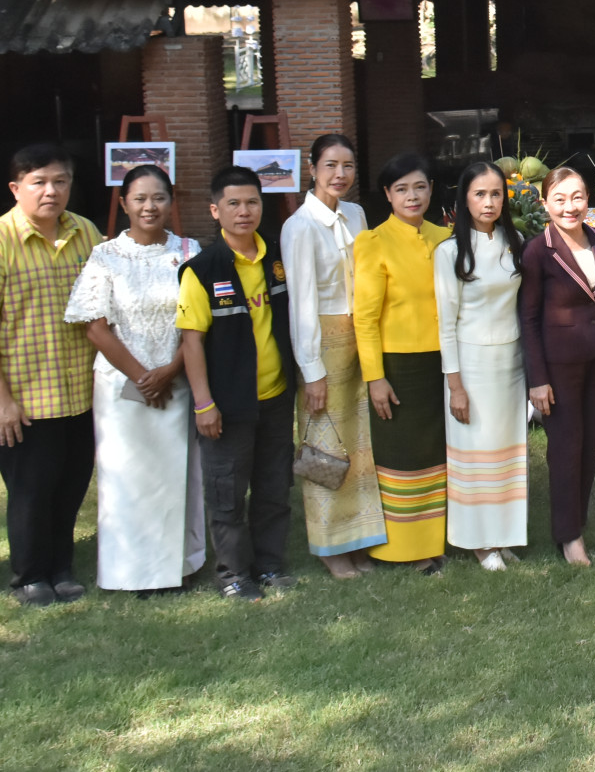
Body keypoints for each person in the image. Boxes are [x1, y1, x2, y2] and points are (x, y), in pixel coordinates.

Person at [0, 144, 102, 607]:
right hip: (26, 397)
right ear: (16, 188)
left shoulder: (87, 233)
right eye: (38, 182)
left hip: (80, 391)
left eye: (60, 181)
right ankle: (29, 576)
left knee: (72, 484)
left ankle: (61, 566)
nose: (50, 191)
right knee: (31, 493)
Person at [63, 164, 205, 594]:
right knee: (127, 478)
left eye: (158, 197)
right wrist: (143, 376)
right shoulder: (106, 255)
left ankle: (179, 566)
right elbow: (94, 325)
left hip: (176, 379)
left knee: (176, 475)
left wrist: (169, 371)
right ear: (123, 203)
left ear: (171, 201)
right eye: (139, 198)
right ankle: (131, 572)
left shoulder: (188, 250)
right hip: (121, 387)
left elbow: (198, 322)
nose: (149, 206)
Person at [178, 166, 298, 601]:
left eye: (251, 202)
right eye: (233, 203)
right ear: (215, 210)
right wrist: (204, 403)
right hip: (228, 404)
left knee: (273, 486)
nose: (244, 212)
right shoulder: (202, 270)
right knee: (227, 492)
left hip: (276, 397)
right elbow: (192, 342)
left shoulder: (277, 259)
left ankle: (269, 565)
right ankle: (232, 574)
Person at [280, 134, 386, 579]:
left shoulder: (357, 214)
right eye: (329, 165)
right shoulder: (300, 226)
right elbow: (301, 303)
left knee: (362, 447)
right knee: (324, 448)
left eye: (347, 165)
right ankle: (328, 546)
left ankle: (359, 538)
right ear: (312, 168)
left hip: (361, 339)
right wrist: (312, 371)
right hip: (322, 344)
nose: (339, 174)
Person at [352, 153, 452, 572]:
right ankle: (403, 548)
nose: (412, 196)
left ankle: (439, 538)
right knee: (403, 458)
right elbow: (365, 317)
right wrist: (375, 377)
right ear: (388, 196)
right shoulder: (372, 243)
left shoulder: (446, 236)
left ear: (430, 189)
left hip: (444, 362)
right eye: (401, 189)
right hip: (399, 365)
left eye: (419, 187)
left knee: (438, 454)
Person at [520, 167, 595, 566]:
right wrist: (537, 379)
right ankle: (568, 537)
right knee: (565, 449)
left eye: (576, 197)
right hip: (557, 368)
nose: (569, 207)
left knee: (590, 448)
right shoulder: (537, 250)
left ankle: (577, 520)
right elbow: (527, 319)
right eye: (559, 199)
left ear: (588, 198)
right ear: (545, 203)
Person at [435, 161, 529, 572]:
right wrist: (455, 384)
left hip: (511, 362)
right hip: (470, 367)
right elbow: (445, 323)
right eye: (479, 194)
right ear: (464, 198)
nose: (489, 202)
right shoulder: (450, 251)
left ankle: (504, 535)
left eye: (496, 193)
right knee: (475, 455)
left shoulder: (516, 240)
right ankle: (477, 541)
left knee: (508, 453)